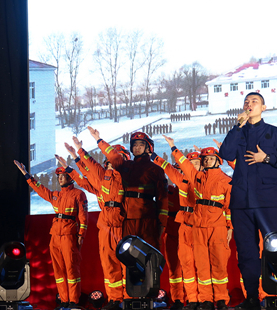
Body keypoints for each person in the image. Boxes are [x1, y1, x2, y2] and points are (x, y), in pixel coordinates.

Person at [218, 92, 277, 310]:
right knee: (246, 253)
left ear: (264, 108)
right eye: (246, 102)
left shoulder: (275, 133)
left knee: (276, 248)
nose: (249, 104)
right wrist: (236, 127)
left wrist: (268, 158)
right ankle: (252, 297)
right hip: (241, 204)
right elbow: (225, 153)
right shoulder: (239, 132)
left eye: (254, 101)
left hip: (267, 201)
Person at [57, 139, 128, 310]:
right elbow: (84, 180)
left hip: (123, 226)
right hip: (105, 227)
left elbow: (93, 169)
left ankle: (128, 298)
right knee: (108, 263)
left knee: (126, 264)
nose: (110, 166)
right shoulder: (101, 183)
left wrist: (79, 152)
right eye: (108, 163)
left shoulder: (126, 179)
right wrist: (72, 162)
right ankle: (114, 299)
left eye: (114, 162)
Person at [164, 136, 233, 310]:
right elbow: (185, 165)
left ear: (218, 161)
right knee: (202, 265)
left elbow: (230, 206)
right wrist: (173, 147)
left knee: (218, 265)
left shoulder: (227, 181)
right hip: (199, 226)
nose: (208, 161)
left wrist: (229, 227)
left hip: (217, 226)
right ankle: (206, 300)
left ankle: (221, 300)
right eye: (206, 159)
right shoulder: (197, 178)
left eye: (212, 158)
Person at [14, 161, 88, 310]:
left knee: (71, 269)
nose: (60, 179)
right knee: (59, 271)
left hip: (69, 235)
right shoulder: (55, 195)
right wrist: (26, 175)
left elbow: (83, 217)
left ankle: (74, 301)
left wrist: (81, 235)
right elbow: (40, 189)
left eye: (63, 176)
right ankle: (64, 300)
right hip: (55, 236)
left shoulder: (78, 194)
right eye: (58, 176)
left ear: (70, 178)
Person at [88, 127, 168, 249]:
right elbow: (113, 155)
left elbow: (162, 199)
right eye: (134, 145)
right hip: (128, 219)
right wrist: (98, 139)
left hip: (147, 219)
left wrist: (161, 224)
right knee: (129, 256)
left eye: (141, 145)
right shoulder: (126, 166)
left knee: (148, 257)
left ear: (148, 148)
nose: (137, 147)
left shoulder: (156, 170)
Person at [151, 151, 203, 310]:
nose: (181, 172)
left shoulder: (202, 182)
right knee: (175, 268)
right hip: (174, 233)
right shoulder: (169, 191)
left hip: (196, 229)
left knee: (198, 267)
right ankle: (179, 299)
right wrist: (153, 156)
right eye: (178, 170)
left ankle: (199, 299)